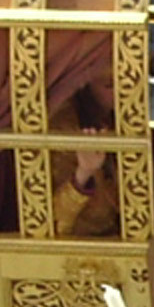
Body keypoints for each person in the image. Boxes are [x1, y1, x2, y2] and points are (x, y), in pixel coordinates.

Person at [50, 68, 120, 237]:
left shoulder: (112, 117)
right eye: (110, 86)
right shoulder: (64, 130)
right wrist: (84, 174)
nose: (120, 93)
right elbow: (55, 223)